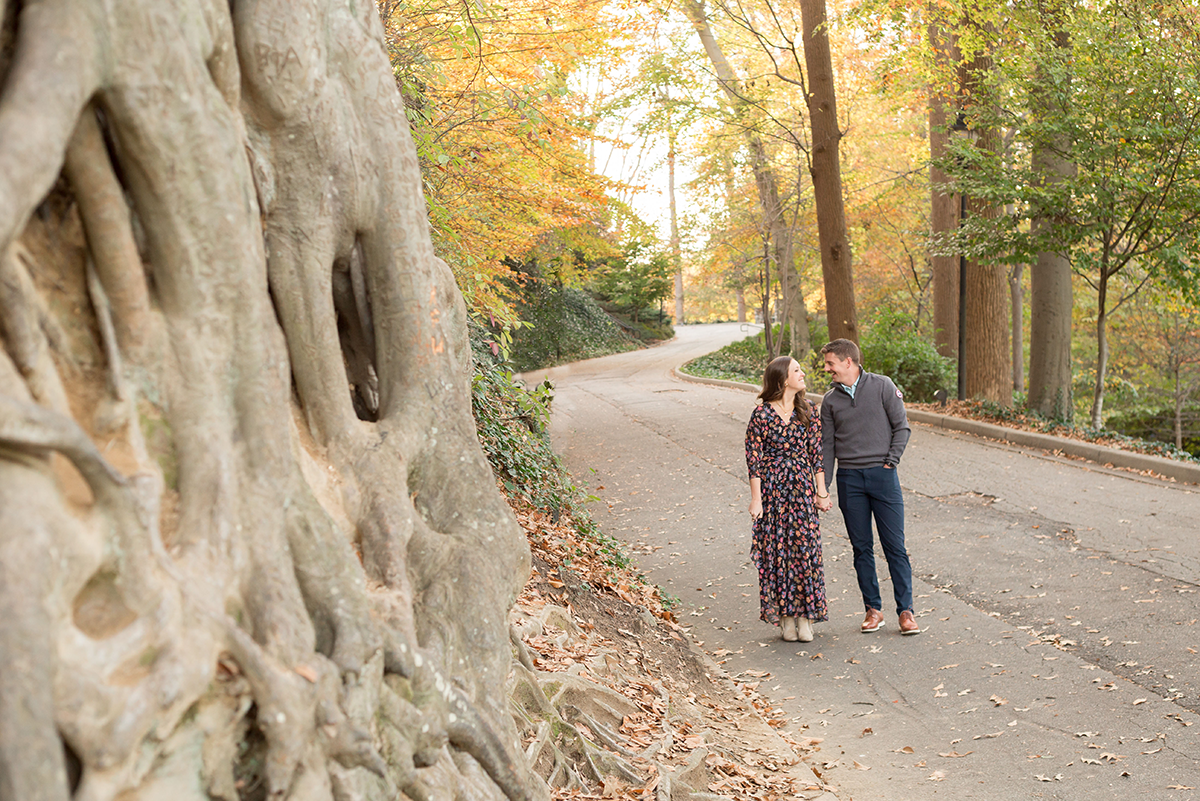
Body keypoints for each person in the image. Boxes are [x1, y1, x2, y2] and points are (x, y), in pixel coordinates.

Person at [819, 338, 919, 635]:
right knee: (861, 548)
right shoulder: (830, 400)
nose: (827, 369)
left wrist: (891, 461)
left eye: (830, 363)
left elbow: (902, 427)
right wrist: (822, 487)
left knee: (895, 547)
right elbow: (827, 447)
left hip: (883, 476)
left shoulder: (883, 386)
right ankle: (873, 610)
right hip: (850, 480)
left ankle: (906, 612)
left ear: (847, 362)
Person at [745, 355, 834, 643]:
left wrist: (821, 492)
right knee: (777, 552)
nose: (803, 373)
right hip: (772, 491)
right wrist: (756, 499)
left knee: (804, 551)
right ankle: (785, 618)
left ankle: (806, 617)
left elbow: (816, 455)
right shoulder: (761, 415)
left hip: (801, 491)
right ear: (783, 378)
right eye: (797, 370)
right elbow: (754, 461)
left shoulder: (808, 411)